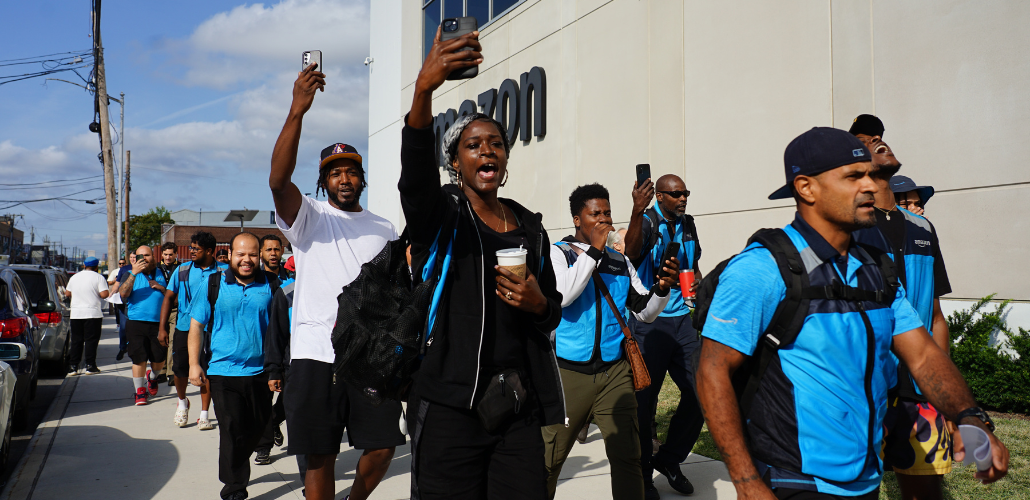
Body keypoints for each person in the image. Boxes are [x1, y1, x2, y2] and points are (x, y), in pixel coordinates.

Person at [696, 126, 1009, 499]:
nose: (872, 187)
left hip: (866, 478)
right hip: (794, 480)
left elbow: (924, 356)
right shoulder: (763, 269)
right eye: (853, 176)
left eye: (872, 175)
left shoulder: (877, 268)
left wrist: (970, 417)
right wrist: (746, 482)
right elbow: (711, 372)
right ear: (806, 187)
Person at [401, 26, 565, 500]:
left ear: (506, 158)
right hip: (450, 405)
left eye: (495, 143)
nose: (486, 150)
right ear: (455, 162)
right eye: (473, 145)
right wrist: (423, 90)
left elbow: (552, 308)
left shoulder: (530, 227)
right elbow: (413, 182)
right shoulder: (445, 215)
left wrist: (538, 304)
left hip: (516, 402)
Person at [270, 62, 402, 500]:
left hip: (369, 358)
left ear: (362, 178)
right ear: (324, 180)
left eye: (351, 170)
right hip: (314, 355)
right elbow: (277, 181)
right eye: (334, 171)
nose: (344, 178)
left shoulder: (385, 227)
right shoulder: (308, 217)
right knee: (319, 455)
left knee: (383, 446)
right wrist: (297, 110)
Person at [542, 183, 678, 500]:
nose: (603, 220)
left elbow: (644, 312)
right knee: (547, 462)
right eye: (595, 214)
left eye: (607, 213)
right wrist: (594, 252)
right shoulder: (558, 254)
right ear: (578, 220)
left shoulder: (619, 262)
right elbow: (563, 296)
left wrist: (662, 288)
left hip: (614, 373)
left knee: (628, 456)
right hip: (568, 374)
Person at [849, 117, 955, 500]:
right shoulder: (848, 228)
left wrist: (943, 387)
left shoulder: (923, 228)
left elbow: (937, 316)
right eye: (863, 141)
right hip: (865, 388)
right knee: (857, 490)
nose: (877, 140)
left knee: (925, 490)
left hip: (921, 387)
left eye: (878, 136)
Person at [623, 173, 704, 498]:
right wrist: (635, 212)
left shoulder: (688, 224)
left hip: (682, 321)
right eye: (676, 194)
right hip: (648, 323)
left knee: (702, 393)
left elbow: (693, 263)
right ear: (659, 195)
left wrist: (696, 283)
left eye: (686, 193)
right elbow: (627, 255)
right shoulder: (646, 222)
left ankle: (669, 460)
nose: (683, 199)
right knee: (645, 404)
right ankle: (643, 477)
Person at [188, 232, 278, 500]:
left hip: (261, 372)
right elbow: (196, 326)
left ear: (259, 255)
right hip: (222, 371)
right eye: (241, 254)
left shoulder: (272, 285)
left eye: (252, 254)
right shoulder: (213, 283)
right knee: (231, 429)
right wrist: (194, 364)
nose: (246, 260)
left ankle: (237, 464)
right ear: (230, 255)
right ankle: (234, 488)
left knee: (260, 426)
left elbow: (284, 327)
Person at [160, 231, 227, 429]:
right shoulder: (182, 270)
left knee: (206, 370)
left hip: (212, 329)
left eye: (196, 249)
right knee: (180, 369)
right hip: (184, 327)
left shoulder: (224, 271)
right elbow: (169, 297)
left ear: (209, 251)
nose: (191, 252)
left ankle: (204, 413)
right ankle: (182, 403)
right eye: (191, 248)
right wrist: (162, 327)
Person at [119, 246, 173, 406]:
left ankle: (153, 377)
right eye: (140, 256)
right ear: (135, 258)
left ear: (154, 256)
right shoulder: (130, 274)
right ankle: (140, 392)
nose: (144, 258)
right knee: (138, 357)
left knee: (159, 358)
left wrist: (161, 287)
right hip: (136, 322)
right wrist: (134, 273)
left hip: (159, 323)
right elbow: (123, 294)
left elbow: (171, 294)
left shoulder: (163, 272)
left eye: (147, 255)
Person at [260, 263, 298, 473]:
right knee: (297, 420)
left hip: (324, 367)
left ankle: (274, 420)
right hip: (290, 363)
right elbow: (277, 334)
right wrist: (274, 369)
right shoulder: (287, 293)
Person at [64, 257, 110, 374]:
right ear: (96, 267)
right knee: (91, 341)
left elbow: (67, 293)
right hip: (92, 313)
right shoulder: (99, 277)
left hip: (76, 313)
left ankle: (73, 366)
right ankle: (90, 366)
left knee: (76, 341)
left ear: (84, 266)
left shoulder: (74, 277)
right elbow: (104, 294)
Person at [158, 241, 181, 381]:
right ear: (161, 254)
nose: (168, 257)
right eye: (165, 254)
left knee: (172, 340)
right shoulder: (156, 268)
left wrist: (161, 289)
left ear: (176, 254)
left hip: (175, 309)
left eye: (170, 255)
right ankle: (161, 369)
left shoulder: (181, 268)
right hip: (159, 309)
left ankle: (171, 373)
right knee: (161, 340)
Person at [109, 257, 131, 360]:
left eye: (135, 257)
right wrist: (113, 292)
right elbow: (116, 284)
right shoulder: (123, 270)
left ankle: (131, 348)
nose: (133, 259)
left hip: (136, 303)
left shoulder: (145, 269)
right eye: (131, 257)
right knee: (123, 327)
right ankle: (123, 348)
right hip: (123, 302)